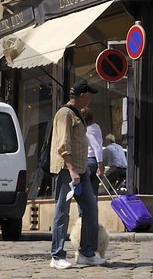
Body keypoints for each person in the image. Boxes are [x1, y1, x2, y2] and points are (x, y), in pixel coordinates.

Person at [49, 80, 103, 270]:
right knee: (62, 212)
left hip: (82, 171)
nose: (90, 99)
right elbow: (63, 145)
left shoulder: (77, 114)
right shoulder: (64, 114)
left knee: (91, 208)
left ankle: (87, 253)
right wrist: (72, 169)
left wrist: (83, 170)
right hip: (67, 171)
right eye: (89, 95)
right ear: (81, 96)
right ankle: (57, 255)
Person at [83, 108, 104, 184]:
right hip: (96, 160)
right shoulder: (97, 127)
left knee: (84, 186)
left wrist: (100, 165)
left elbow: (96, 146)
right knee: (94, 187)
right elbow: (99, 146)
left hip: (89, 159)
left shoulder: (87, 130)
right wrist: (100, 163)